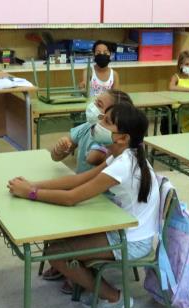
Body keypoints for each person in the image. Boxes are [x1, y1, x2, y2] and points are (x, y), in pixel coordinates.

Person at [7, 103, 159, 308]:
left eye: (107, 122)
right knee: (60, 241)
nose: (99, 124)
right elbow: (79, 180)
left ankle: (114, 298)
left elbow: (73, 197)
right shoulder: (121, 155)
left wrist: (30, 193)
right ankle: (92, 287)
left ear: (123, 137)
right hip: (123, 228)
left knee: (55, 253)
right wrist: (32, 184)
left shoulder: (124, 164)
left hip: (134, 241)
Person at [42, 90, 133, 287]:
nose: (92, 106)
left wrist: (32, 191)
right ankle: (68, 265)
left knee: (67, 212)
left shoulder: (110, 144)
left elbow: (95, 160)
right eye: (95, 101)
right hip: (86, 190)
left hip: (104, 200)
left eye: (100, 106)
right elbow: (61, 160)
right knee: (56, 210)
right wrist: (60, 150)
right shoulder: (86, 129)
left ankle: (75, 268)